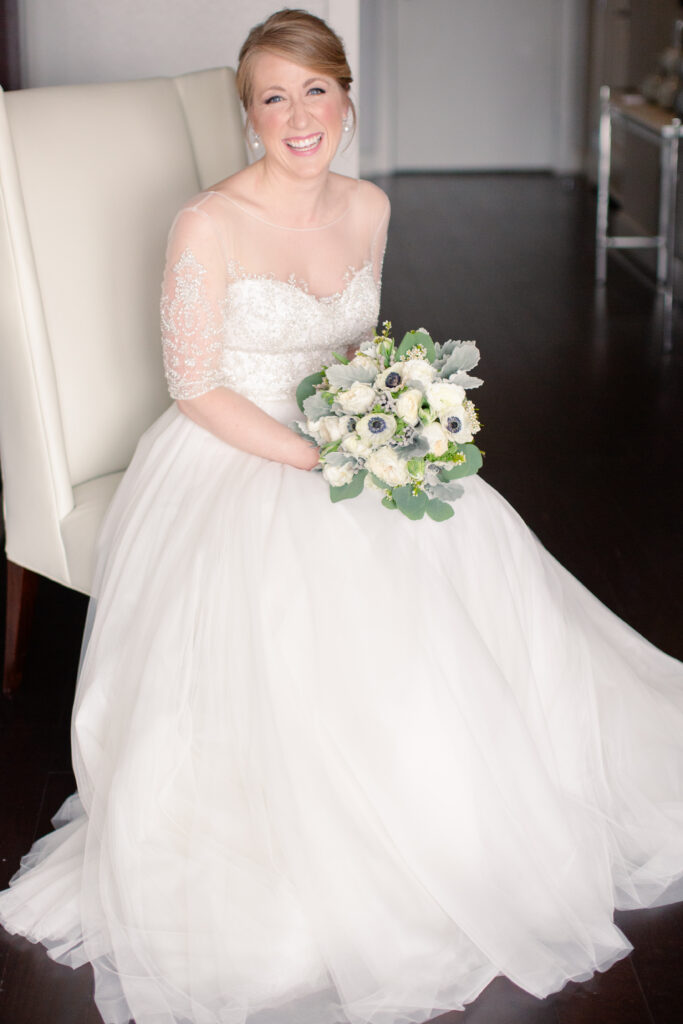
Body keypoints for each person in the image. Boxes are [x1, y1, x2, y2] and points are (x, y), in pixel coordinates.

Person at [1, 9, 683, 1024]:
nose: (298, 114)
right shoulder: (207, 222)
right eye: (273, 96)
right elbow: (195, 387)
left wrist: (396, 415)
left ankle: (472, 808)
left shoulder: (367, 207)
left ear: (345, 97)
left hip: (348, 440)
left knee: (470, 551)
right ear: (249, 114)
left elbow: (359, 345)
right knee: (322, 597)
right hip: (235, 450)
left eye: (315, 89)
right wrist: (322, 454)